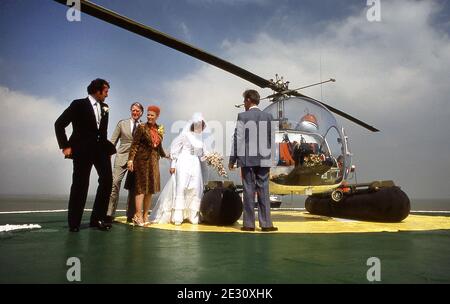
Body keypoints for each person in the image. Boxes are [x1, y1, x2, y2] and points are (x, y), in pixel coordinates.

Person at [54, 78, 116, 232]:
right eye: (106, 91)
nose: (107, 95)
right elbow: (59, 124)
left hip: (101, 151)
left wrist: (107, 151)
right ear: (97, 90)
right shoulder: (78, 104)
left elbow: (103, 131)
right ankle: (74, 223)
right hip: (82, 150)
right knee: (80, 185)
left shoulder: (105, 107)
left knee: (108, 181)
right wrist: (65, 146)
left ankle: (98, 219)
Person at [228, 89, 278, 232]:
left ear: (249, 100)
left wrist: (232, 159)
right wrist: (272, 160)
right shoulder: (268, 117)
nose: (244, 104)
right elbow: (272, 140)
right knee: (264, 189)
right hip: (264, 159)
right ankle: (266, 224)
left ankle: (249, 224)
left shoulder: (242, 116)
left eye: (244, 101)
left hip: (247, 159)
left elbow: (237, 139)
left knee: (249, 190)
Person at [150, 113, 208, 225]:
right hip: (184, 162)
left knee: (195, 187)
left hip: (195, 164)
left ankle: (192, 215)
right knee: (181, 186)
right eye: (199, 125)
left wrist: (210, 157)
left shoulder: (200, 139)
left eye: (202, 126)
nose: (201, 128)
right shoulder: (185, 135)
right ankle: (178, 215)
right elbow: (175, 150)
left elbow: (202, 154)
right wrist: (173, 165)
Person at [127, 105, 166, 226]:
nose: (149, 117)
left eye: (152, 115)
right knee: (141, 189)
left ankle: (145, 216)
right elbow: (134, 145)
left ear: (157, 116)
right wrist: (130, 160)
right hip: (141, 162)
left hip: (154, 162)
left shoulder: (160, 128)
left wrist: (165, 155)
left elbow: (158, 146)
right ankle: (137, 216)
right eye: (148, 114)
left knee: (150, 190)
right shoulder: (141, 127)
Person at [106, 102, 144, 223]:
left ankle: (131, 214)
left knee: (133, 187)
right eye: (133, 110)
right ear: (130, 111)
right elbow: (113, 141)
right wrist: (108, 154)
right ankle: (109, 214)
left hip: (137, 160)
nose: (135, 112)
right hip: (121, 157)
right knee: (115, 183)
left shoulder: (144, 126)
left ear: (141, 112)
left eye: (138, 111)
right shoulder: (122, 124)